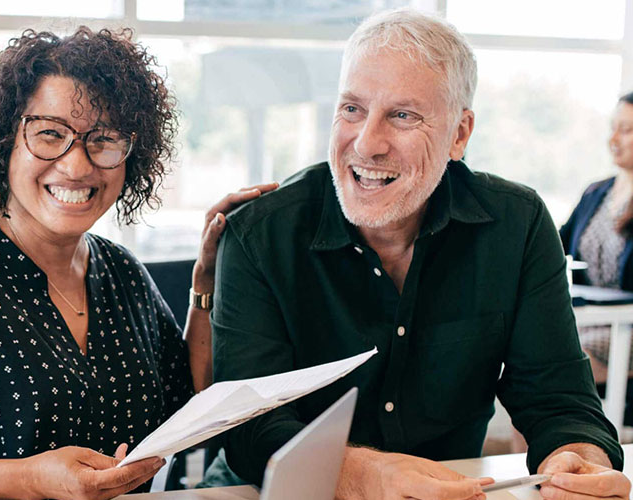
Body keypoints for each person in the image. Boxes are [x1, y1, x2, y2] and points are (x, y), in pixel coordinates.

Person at [206, 8, 629, 500]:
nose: (367, 143)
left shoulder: (518, 224)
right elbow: (248, 427)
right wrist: (365, 474)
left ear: (460, 135)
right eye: (352, 109)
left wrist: (576, 459)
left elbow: (557, 397)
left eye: (402, 116)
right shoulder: (259, 235)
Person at [0, 27, 274, 500]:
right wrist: (25, 478)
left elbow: (188, 398)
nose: (78, 166)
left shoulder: (120, 272)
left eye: (103, 140)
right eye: (50, 134)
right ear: (5, 141)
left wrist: (207, 282)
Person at [561, 92, 633, 384]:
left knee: (558, 368)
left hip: (627, 326)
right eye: (612, 127)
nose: (613, 138)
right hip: (589, 319)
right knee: (530, 361)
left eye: (626, 130)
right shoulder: (596, 192)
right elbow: (553, 245)